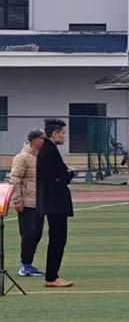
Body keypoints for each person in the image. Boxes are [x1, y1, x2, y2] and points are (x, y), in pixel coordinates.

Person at [34, 118, 75, 287]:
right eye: (62, 133)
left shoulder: (48, 150)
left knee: (57, 239)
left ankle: (52, 275)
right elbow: (60, 176)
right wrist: (69, 174)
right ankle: (51, 277)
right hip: (55, 202)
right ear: (55, 133)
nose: (64, 136)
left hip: (52, 201)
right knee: (58, 239)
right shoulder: (49, 151)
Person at [9, 129, 44, 277]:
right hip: (27, 202)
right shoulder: (22, 157)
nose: (44, 141)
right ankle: (25, 264)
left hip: (40, 202)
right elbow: (15, 179)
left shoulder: (42, 157)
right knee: (28, 233)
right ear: (34, 140)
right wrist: (17, 200)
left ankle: (28, 263)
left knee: (37, 234)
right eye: (42, 138)